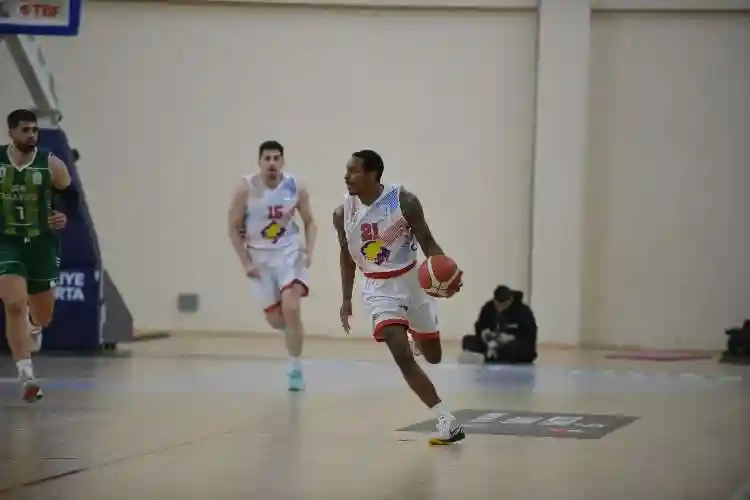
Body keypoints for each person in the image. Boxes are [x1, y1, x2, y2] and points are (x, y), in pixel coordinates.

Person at [333, 149, 465, 445]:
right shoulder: (342, 213)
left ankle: (415, 335)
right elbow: (346, 257)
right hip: (378, 288)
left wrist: (445, 273)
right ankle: (445, 419)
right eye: (347, 170)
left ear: (373, 174)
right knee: (400, 352)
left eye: (353, 171)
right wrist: (346, 298)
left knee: (433, 357)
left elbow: (427, 241)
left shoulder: (404, 201)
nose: (346, 176)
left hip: (412, 281)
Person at [0, 108, 78, 402]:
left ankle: (34, 327)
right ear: (11, 132)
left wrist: (63, 215)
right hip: (7, 242)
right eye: (25, 130)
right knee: (14, 304)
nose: (32, 135)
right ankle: (26, 375)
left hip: (41, 244)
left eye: (35, 130)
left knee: (43, 316)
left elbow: (71, 196)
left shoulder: (50, 163)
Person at [228, 140, 317, 391]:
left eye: (276, 158)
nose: (272, 163)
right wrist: (246, 263)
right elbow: (232, 228)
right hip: (259, 258)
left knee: (291, 308)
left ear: (283, 161)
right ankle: (294, 333)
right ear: (259, 162)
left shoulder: (296, 186)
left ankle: (295, 368)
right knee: (277, 320)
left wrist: (309, 249)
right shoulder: (245, 188)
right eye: (267, 158)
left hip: (289, 252)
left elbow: (310, 222)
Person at [462, 285, 537, 364]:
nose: (500, 308)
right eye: (497, 305)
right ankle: (492, 355)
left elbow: (530, 334)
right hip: (491, 342)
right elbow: (480, 326)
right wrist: (484, 334)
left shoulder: (523, 311)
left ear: (510, 300)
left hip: (513, 344)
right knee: (467, 340)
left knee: (516, 349)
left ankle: (490, 356)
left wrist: (511, 337)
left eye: (503, 305)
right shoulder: (488, 307)